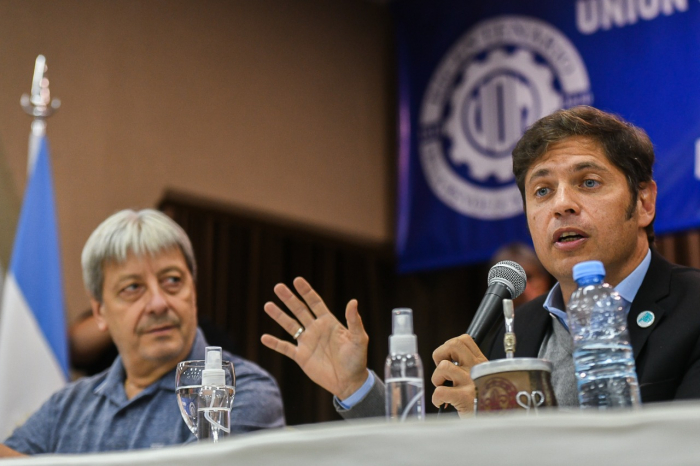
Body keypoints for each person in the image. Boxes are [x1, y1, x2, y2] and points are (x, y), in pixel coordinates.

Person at [261, 106, 700, 419]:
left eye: (588, 182)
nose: (562, 205)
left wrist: (503, 413)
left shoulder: (693, 309)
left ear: (643, 201)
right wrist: (357, 388)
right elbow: (437, 456)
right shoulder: (516, 330)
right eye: (542, 191)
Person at [0, 209, 284, 457]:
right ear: (100, 312)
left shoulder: (243, 391)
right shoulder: (65, 406)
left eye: (172, 280)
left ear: (193, 293)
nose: (158, 303)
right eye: (132, 288)